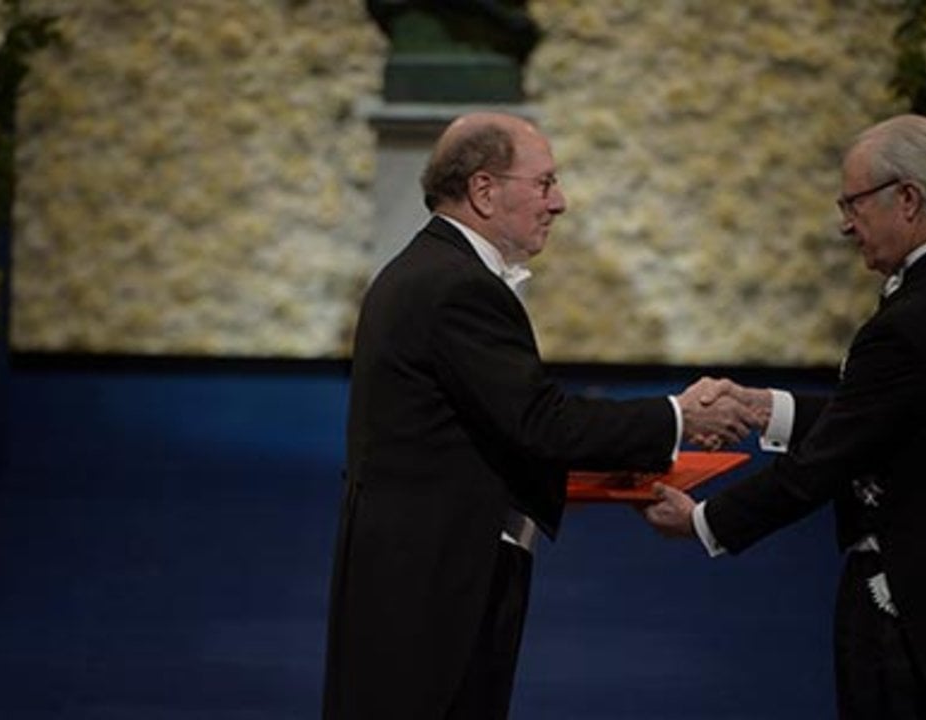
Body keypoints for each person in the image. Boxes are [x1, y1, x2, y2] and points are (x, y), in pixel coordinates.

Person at [323, 111, 756, 719]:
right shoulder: (456, 286)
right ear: (484, 190)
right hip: (433, 581)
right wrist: (679, 417)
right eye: (545, 182)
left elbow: (496, 430)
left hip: (419, 568)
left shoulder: (429, 270)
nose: (561, 202)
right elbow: (541, 423)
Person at [643, 114, 926, 719]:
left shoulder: (912, 321)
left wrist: (705, 521)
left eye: (853, 203)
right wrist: (762, 408)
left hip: (909, 618)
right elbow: (897, 415)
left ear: (907, 198)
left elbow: (828, 462)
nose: (844, 224)